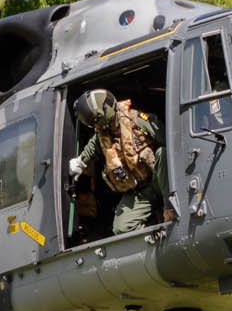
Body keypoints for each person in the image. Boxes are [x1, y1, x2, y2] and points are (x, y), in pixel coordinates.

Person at [69, 87, 166, 235]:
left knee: (163, 154)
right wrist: (80, 162)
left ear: (100, 118)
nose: (93, 127)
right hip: (140, 191)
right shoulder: (103, 136)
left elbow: (167, 142)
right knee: (122, 228)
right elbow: (91, 148)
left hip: (159, 180)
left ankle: (170, 206)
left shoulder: (138, 120)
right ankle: (158, 230)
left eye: (93, 122)